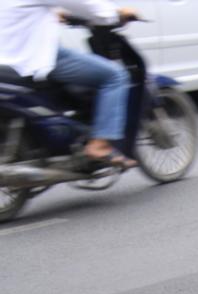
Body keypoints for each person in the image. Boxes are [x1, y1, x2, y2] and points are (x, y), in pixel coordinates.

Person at [0, 0, 139, 168]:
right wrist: (117, 12)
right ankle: (100, 144)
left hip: (9, 58)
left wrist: (54, 12)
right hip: (33, 56)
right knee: (115, 76)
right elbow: (85, 4)